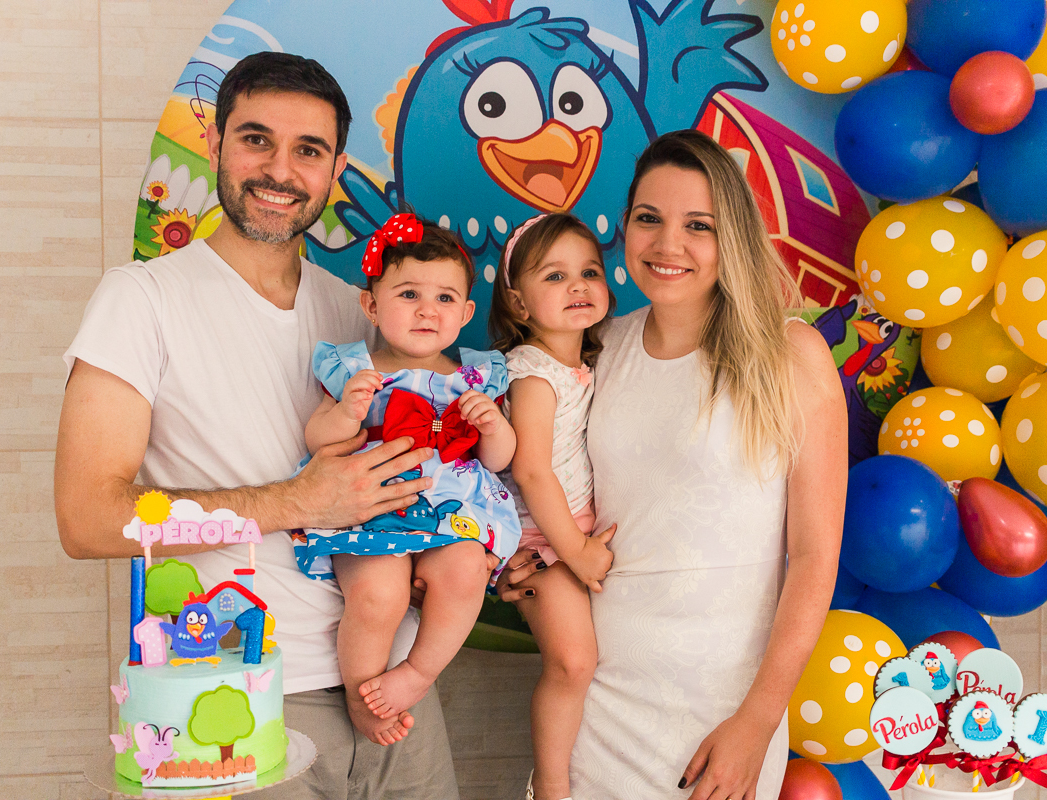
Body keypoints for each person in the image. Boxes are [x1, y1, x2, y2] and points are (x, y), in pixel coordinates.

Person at [55, 52, 459, 799]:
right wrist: (298, 502)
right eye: (255, 139)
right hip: (229, 703)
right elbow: (86, 519)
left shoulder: (363, 311)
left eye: (307, 150)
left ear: (335, 168)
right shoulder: (141, 300)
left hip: (393, 695)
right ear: (215, 146)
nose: (280, 169)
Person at [499, 130, 846, 800]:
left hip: (720, 707)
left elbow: (814, 557)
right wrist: (532, 559)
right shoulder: (599, 349)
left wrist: (758, 720)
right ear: (624, 226)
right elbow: (551, 482)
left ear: (734, 236)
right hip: (595, 694)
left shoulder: (790, 354)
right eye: (649, 219)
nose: (667, 246)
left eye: (698, 226)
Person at [296, 213, 520, 745]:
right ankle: (360, 693)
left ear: (466, 312)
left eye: (445, 299)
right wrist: (347, 411)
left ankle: (417, 673)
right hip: (371, 504)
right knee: (378, 595)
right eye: (408, 294)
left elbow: (499, 460)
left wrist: (493, 426)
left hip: (453, 509)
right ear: (371, 305)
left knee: (465, 571)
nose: (427, 309)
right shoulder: (355, 370)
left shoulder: (476, 375)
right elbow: (318, 441)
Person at [487, 213, 617, 800]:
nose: (578, 286)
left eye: (589, 272)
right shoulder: (532, 372)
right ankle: (552, 787)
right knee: (572, 662)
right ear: (518, 301)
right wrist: (577, 552)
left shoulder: (587, 365)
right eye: (556, 275)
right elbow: (532, 469)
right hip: (541, 542)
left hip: (571, 536)